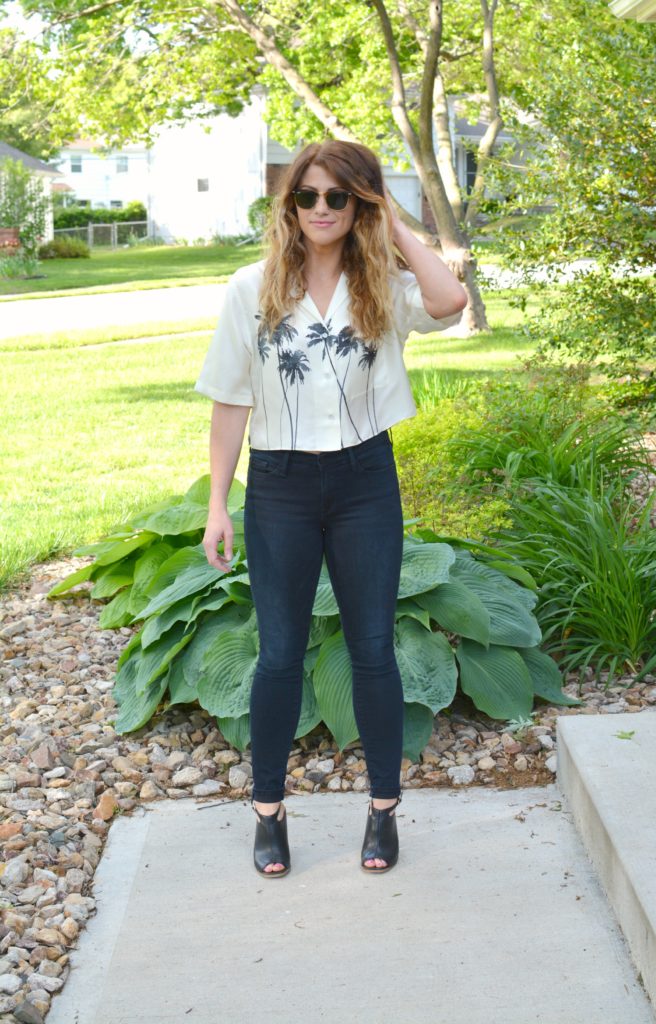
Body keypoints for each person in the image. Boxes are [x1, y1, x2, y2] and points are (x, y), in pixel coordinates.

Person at [195, 139, 467, 878]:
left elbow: (449, 299)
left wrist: (396, 225)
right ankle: (268, 816)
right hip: (279, 484)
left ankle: (382, 813)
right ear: (289, 205)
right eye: (307, 196)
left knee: (373, 651)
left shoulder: (380, 282)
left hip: (364, 483)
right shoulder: (249, 289)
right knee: (278, 654)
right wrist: (219, 504)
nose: (320, 209)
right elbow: (229, 399)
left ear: (359, 206)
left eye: (338, 197)